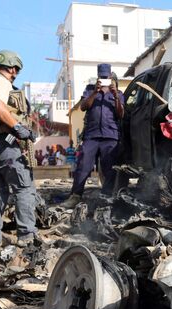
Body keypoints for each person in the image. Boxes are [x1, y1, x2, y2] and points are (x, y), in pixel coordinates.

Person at [0, 50, 37, 246]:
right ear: (11, 67)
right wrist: (17, 127)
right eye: (15, 70)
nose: (15, 74)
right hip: (4, 144)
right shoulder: (0, 82)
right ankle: (27, 235)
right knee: (24, 187)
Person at [60, 64, 124, 208]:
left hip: (110, 135)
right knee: (83, 165)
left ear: (110, 76)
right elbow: (83, 107)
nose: (103, 79)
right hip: (92, 135)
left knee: (109, 168)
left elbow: (121, 114)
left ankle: (107, 198)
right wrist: (95, 92)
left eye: (106, 77)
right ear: (97, 76)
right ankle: (75, 196)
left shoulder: (118, 93)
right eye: (101, 76)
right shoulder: (90, 89)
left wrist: (115, 97)